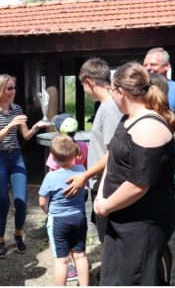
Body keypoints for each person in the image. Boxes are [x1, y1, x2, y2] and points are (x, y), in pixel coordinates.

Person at [96, 62, 175, 285]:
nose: (112, 95)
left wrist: (106, 205)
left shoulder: (149, 126)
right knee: (114, 277)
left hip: (141, 225)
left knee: (137, 278)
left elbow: (138, 184)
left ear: (120, 92)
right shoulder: (128, 118)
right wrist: (100, 194)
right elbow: (112, 157)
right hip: (120, 217)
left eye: (112, 90)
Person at [0, 73, 47, 259]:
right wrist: (11, 124)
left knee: (21, 201)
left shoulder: (17, 108)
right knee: (3, 202)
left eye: (14, 88)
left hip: (16, 157)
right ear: (0, 89)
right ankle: (0, 241)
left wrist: (37, 126)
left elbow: (25, 136)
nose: (12, 91)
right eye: (9, 88)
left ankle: (18, 235)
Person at [63, 58, 122, 244]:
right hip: (101, 182)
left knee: (109, 238)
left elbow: (112, 153)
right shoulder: (106, 106)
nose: (84, 91)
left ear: (88, 82)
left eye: (83, 85)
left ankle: (110, 273)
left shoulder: (110, 109)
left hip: (107, 185)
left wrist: (84, 176)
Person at [38, 134, 90, 286]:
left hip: (59, 220)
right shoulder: (81, 170)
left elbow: (42, 201)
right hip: (79, 217)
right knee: (80, 255)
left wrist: (48, 211)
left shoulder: (50, 177)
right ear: (74, 153)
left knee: (62, 260)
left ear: (52, 157)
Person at [143, 47, 175, 190]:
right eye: (145, 64)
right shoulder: (139, 89)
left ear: (167, 66)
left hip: (166, 157)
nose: (148, 68)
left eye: (153, 64)